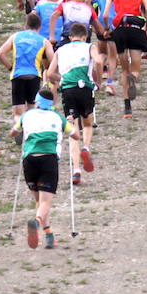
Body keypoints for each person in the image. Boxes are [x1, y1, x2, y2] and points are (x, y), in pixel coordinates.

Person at [11, 88, 81, 249]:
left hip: (29, 160)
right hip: (48, 159)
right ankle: (36, 223)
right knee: (46, 202)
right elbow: (76, 136)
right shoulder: (57, 117)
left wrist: (20, 131)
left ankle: (48, 234)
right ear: (51, 104)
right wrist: (70, 124)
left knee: (39, 201)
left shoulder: (26, 115)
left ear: (36, 102)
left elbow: (13, 133)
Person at [45, 22, 98, 185]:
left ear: (69, 37)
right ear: (85, 36)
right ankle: (86, 147)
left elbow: (49, 74)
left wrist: (62, 80)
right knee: (88, 124)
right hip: (85, 87)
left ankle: (76, 170)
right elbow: (99, 61)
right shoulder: (90, 46)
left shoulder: (61, 50)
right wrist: (98, 80)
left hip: (68, 90)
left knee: (73, 129)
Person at [108, 0, 147, 117]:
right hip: (135, 29)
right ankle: (133, 78)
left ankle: (127, 109)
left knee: (124, 69)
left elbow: (106, 14)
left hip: (120, 30)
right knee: (135, 68)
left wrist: (108, 29)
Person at [0, 12, 54, 118]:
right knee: (32, 109)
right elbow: (53, 60)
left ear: (26, 25)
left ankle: (19, 130)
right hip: (34, 76)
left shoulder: (15, 37)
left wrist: (10, 67)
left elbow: (0, 53)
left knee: (18, 112)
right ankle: (30, 131)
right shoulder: (44, 41)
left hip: (17, 75)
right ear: (39, 27)